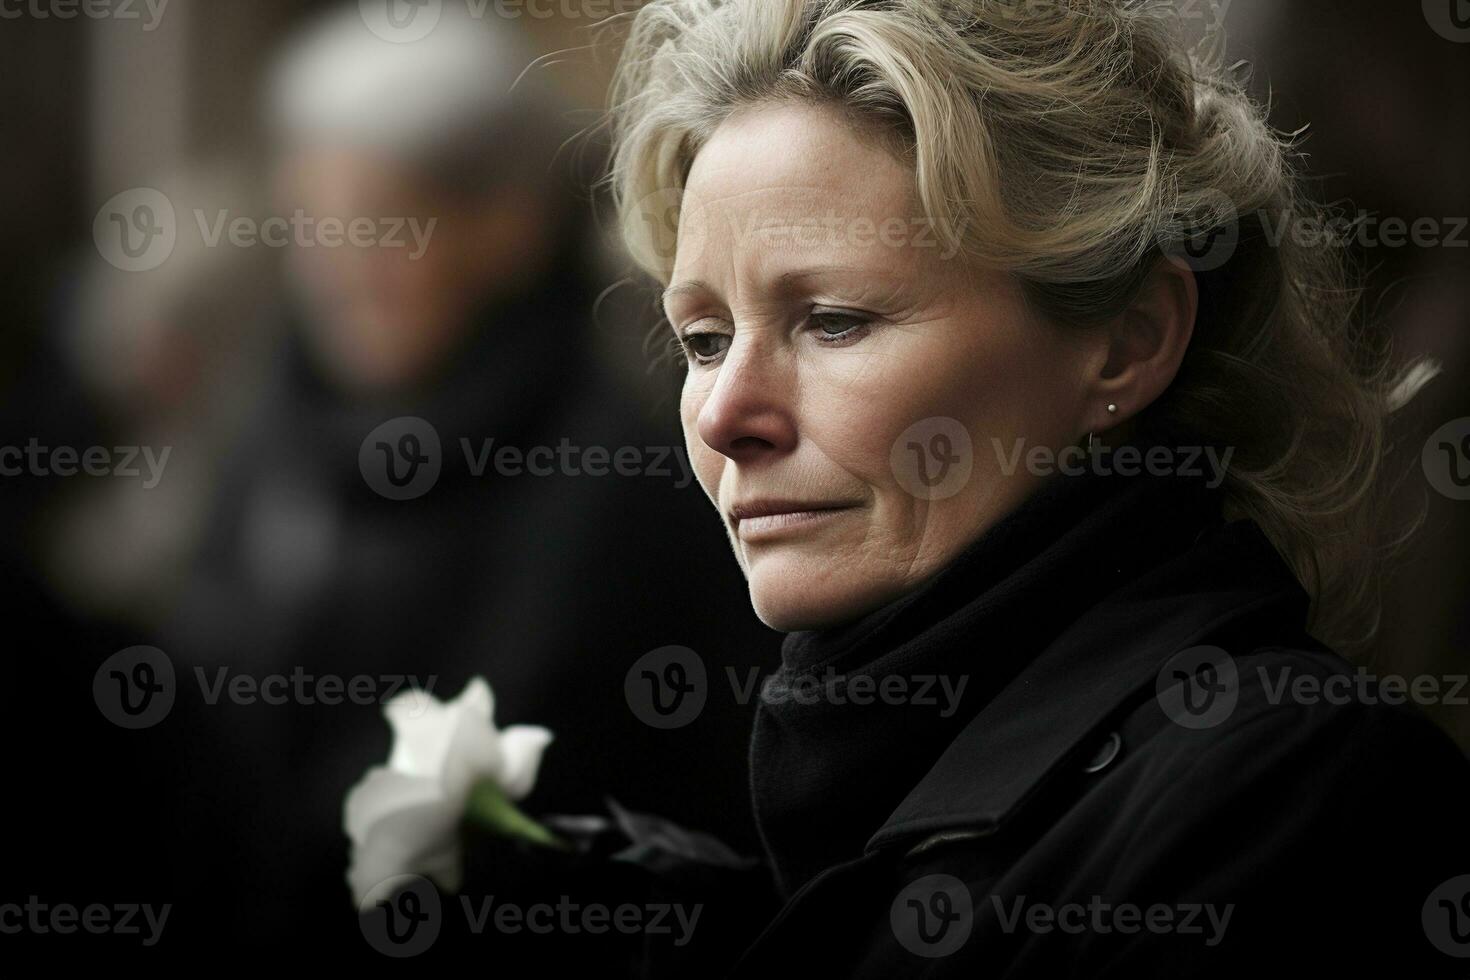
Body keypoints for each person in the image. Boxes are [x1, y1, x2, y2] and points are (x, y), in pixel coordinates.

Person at [592, 0, 1470, 974]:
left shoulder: (1291, 794)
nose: (724, 415)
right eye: (703, 341)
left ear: (1128, 343)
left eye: (834, 320)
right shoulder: (838, 798)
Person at [155, 3, 775, 951]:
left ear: (507, 226)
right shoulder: (280, 421)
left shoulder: (612, 466)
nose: (333, 274)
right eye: (309, 227)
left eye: (377, 229)